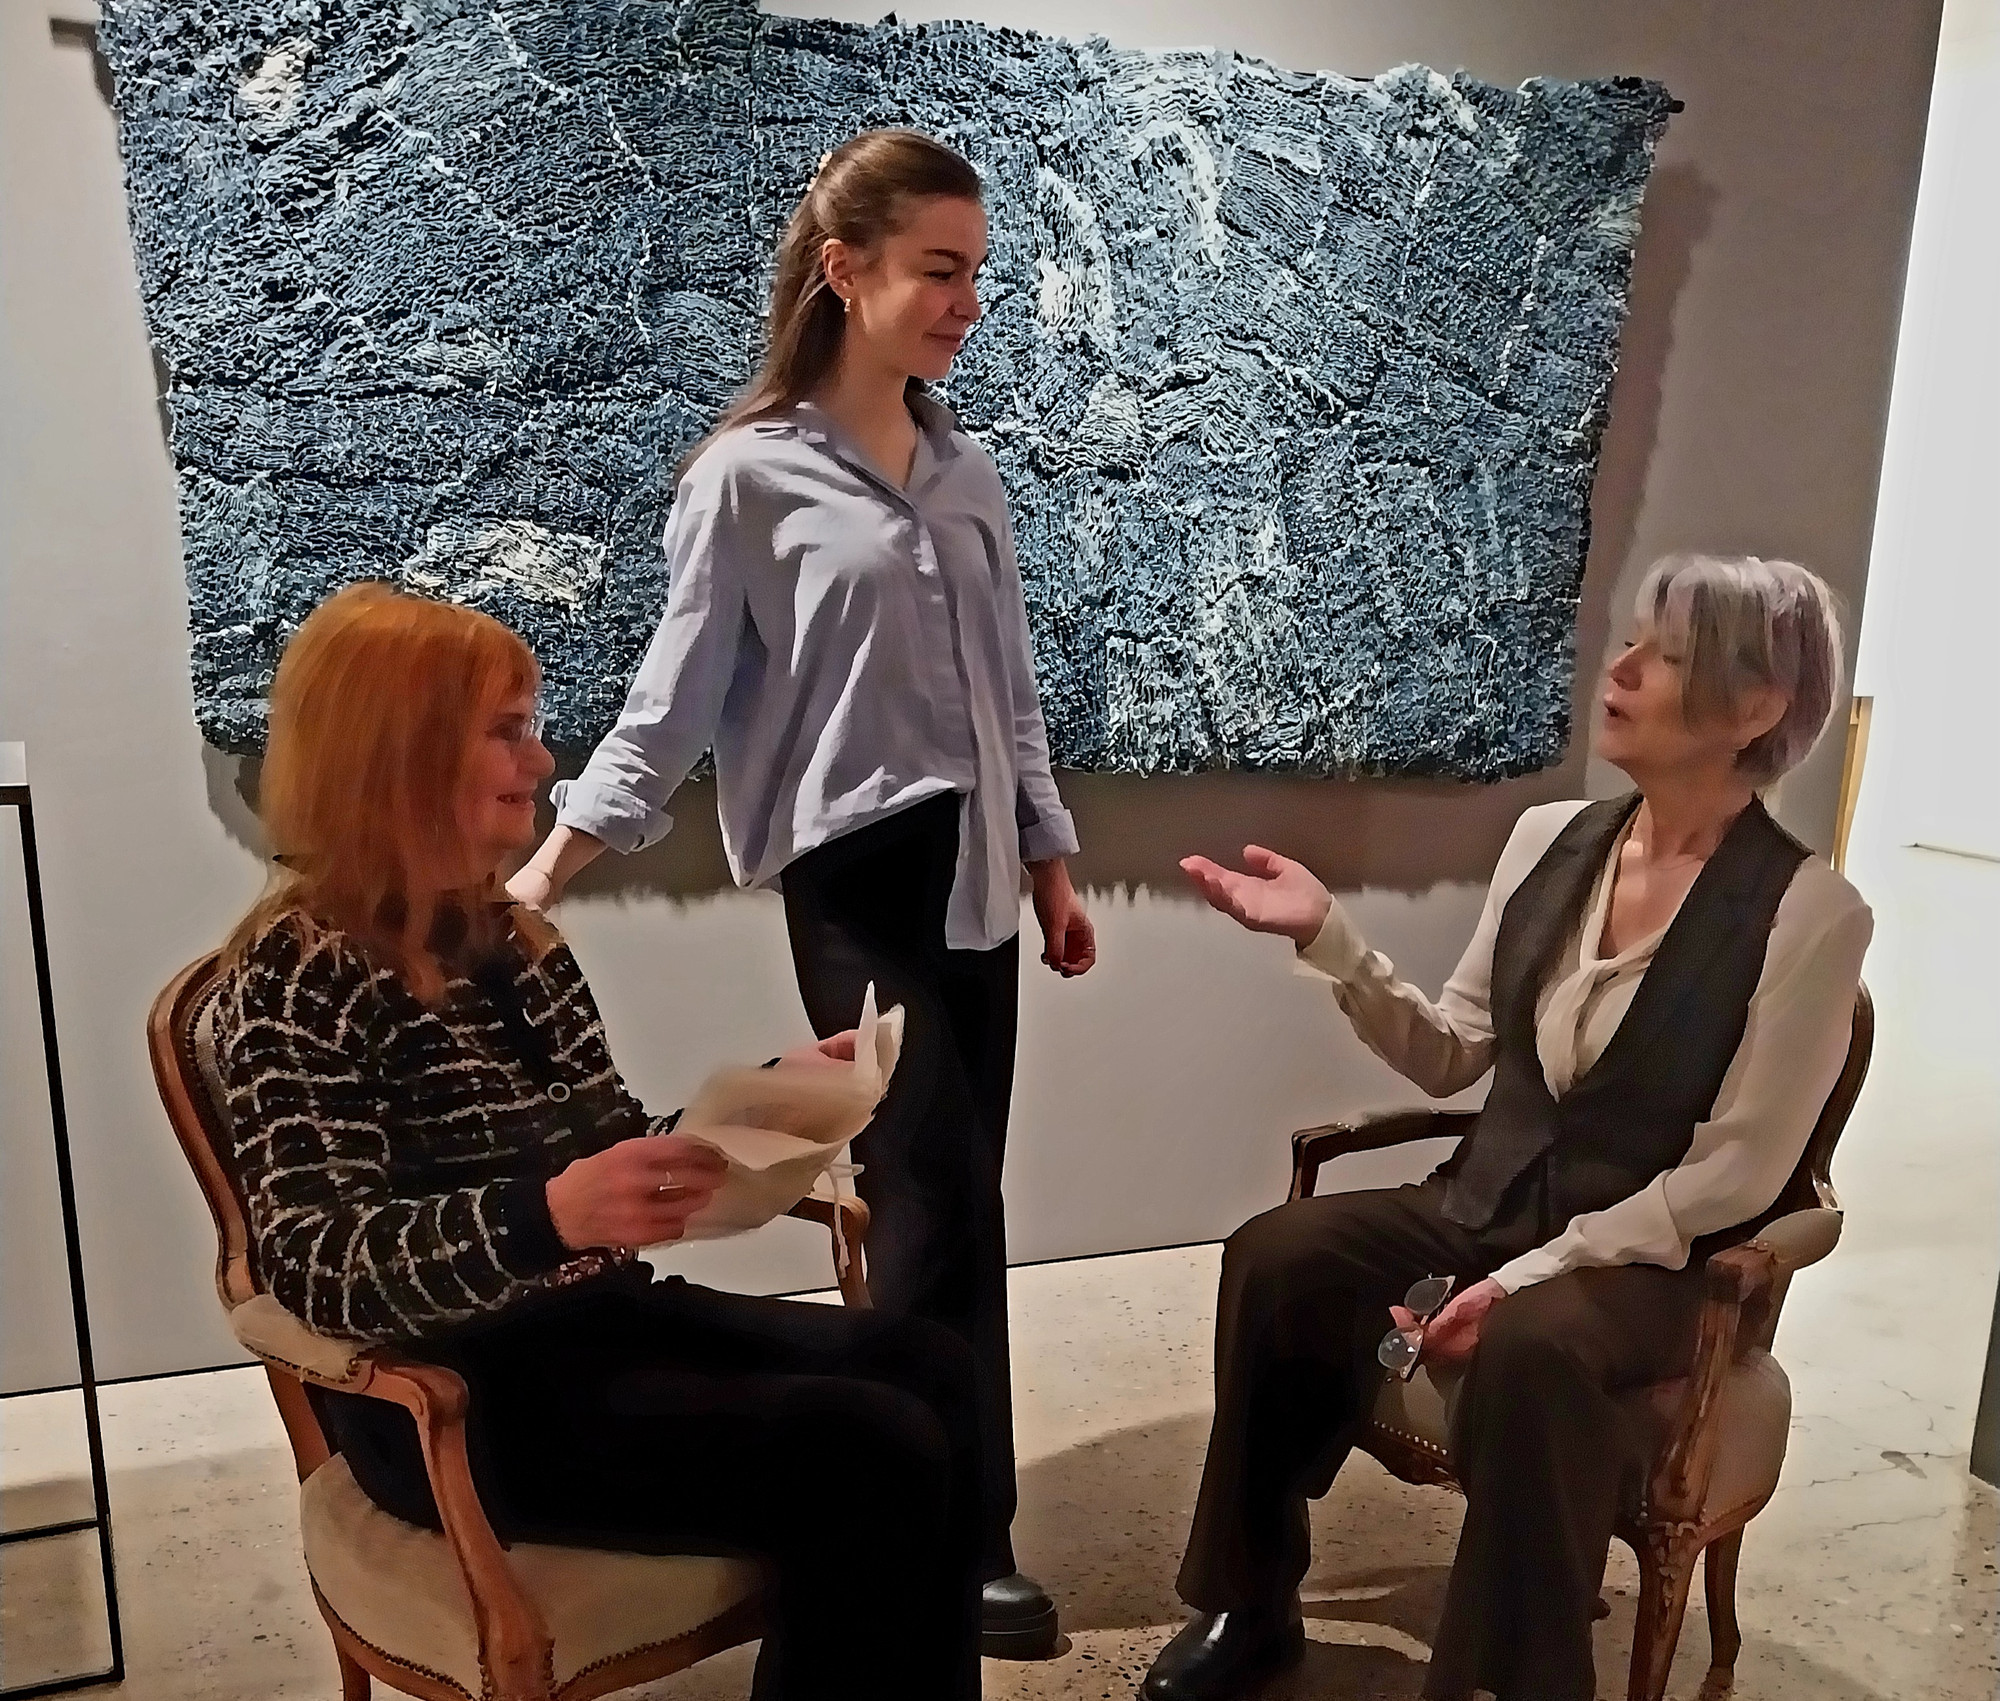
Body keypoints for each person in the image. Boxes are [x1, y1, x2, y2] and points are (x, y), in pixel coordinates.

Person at [510, 127, 1093, 1656]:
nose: (968, 302)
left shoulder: (968, 474)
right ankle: (958, 1537)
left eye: (978, 274)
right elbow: (674, 697)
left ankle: (949, 1500)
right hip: (858, 876)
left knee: (966, 1193)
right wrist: (552, 864)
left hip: (975, 869)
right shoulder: (747, 479)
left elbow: (1011, 697)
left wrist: (1053, 856)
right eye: (939, 271)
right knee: (928, 1193)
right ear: (846, 272)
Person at [216, 583, 985, 1701]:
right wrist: (549, 1217)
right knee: (864, 1446)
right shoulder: (299, 976)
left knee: (932, 1365)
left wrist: (756, 1112)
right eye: (508, 730)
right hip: (449, 1394)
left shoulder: (516, 943)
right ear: (400, 752)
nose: (541, 763)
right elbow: (324, 1269)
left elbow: (609, 1147)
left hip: (587, 1325)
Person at [1146, 554, 1873, 1701]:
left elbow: (1735, 1172)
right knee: (1277, 1253)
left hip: (1646, 1260)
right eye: (1630, 642)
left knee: (1535, 1346)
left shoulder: (1809, 913)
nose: (1619, 669)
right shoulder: (1549, 840)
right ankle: (1252, 1598)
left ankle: (1505, 1681)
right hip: (1483, 1203)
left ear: (1753, 708)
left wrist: (1535, 1273)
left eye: (1666, 656)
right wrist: (1329, 936)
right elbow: (1452, 1050)